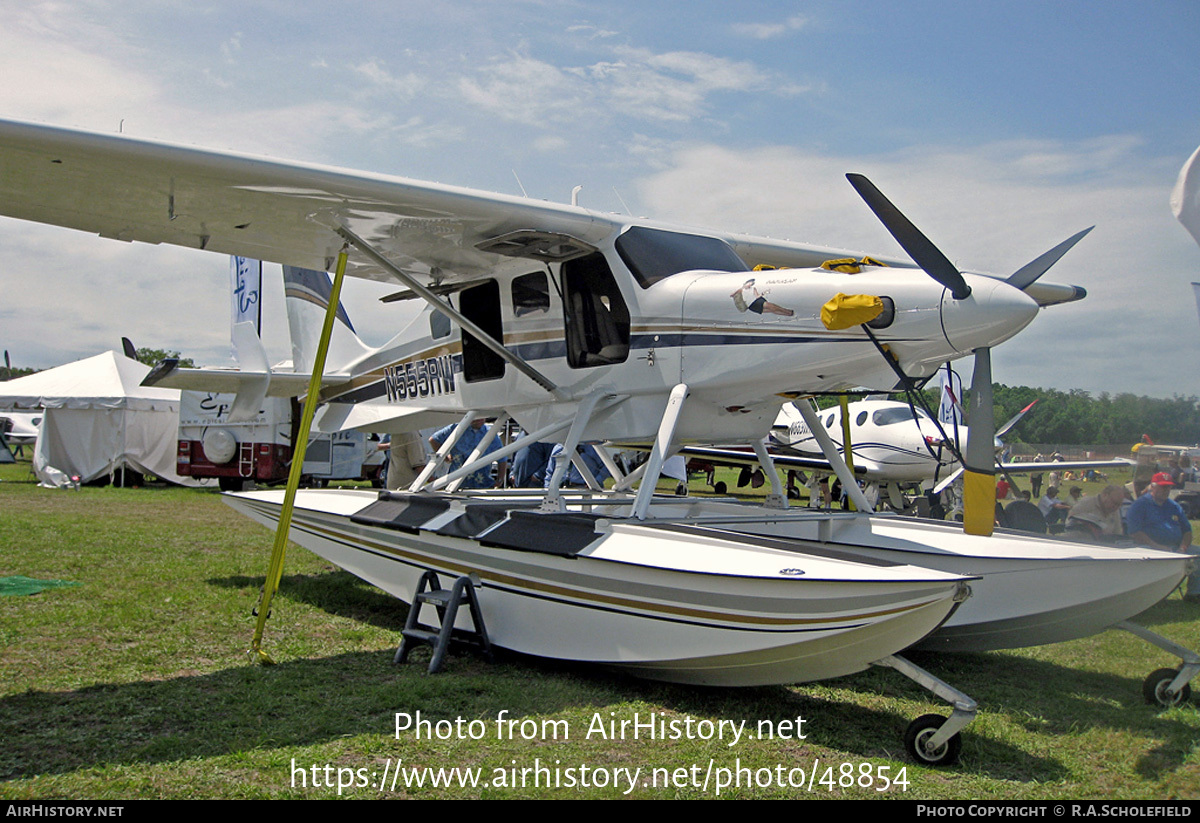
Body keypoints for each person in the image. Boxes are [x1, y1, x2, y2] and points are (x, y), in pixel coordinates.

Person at [1127, 472, 1198, 602]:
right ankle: (1150, 595)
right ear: (1152, 487)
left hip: (1175, 548)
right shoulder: (1140, 505)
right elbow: (1134, 532)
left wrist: (1182, 547)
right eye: (1162, 487)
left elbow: (1187, 531)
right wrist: (1157, 546)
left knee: (1198, 554)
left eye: (1168, 487)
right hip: (1149, 547)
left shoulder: (1174, 506)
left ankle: (1194, 593)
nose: (1166, 490)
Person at [428, 418, 507, 489]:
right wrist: (445, 457)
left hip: (483, 485)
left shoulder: (491, 433)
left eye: (482, 416)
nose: (479, 419)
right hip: (456, 485)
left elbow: (502, 458)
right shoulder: (456, 428)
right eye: (476, 416)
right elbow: (433, 440)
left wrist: (500, 480)